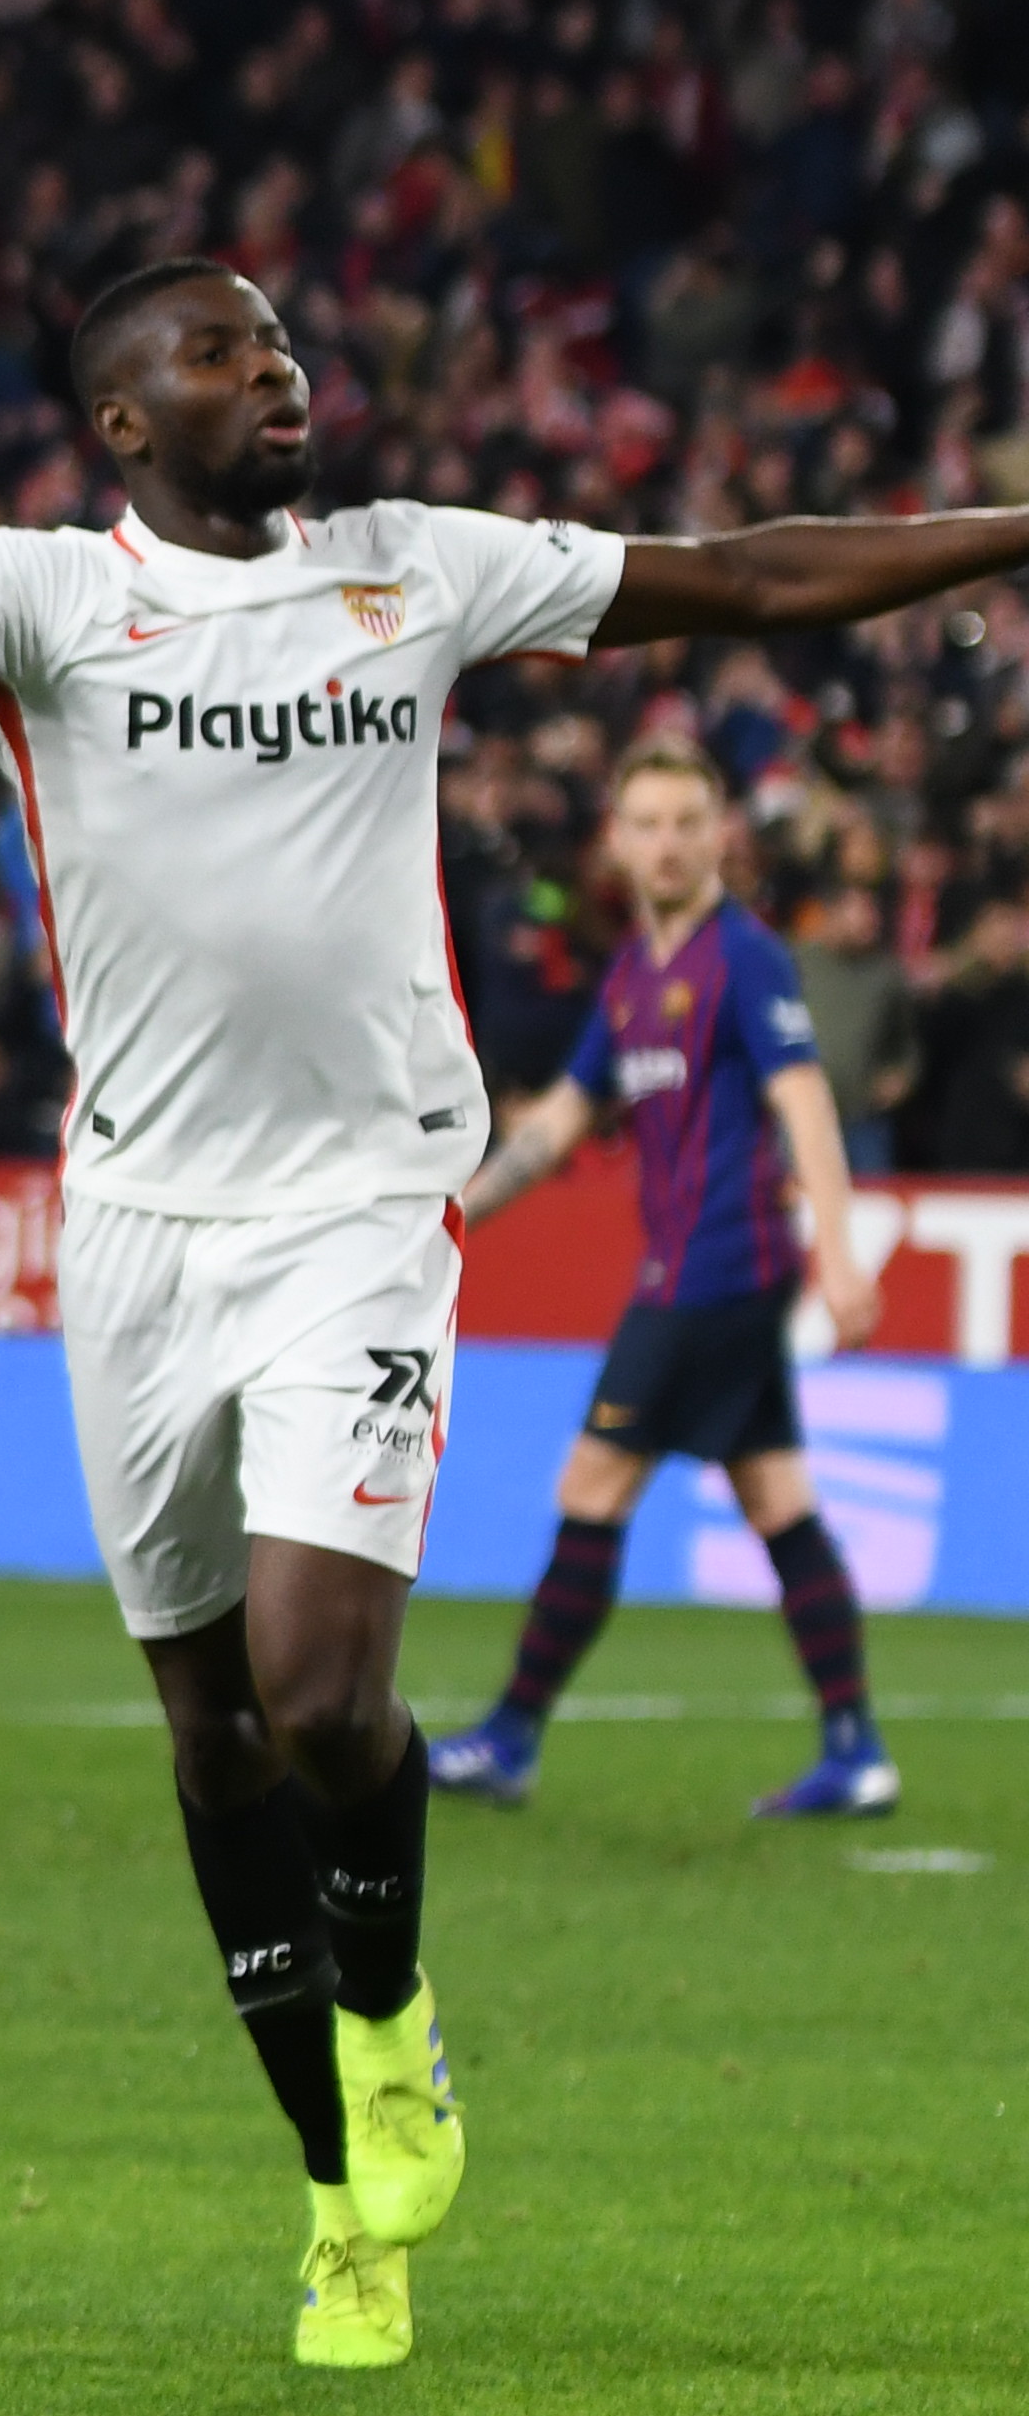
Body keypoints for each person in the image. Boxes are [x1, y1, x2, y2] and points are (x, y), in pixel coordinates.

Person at [0, 246, 1029, 2370]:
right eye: (221, 349)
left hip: (363, 1208)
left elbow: (741, 576)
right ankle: (334, 2191)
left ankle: (390, 2023)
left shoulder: (417, 570)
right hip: (136, 1228)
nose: (275, 368)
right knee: (206, 1731)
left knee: (319, 1683)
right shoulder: (45, 599)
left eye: (281, 339)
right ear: (123, 418)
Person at [429, 742, 896, 1819]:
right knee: (775, 1493)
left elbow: (806, 1103)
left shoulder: (746, 957)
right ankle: (856, 1747)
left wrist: (837, 1248)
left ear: (722, 830)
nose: (669, 842)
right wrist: (448, 1214)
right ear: (618, 841)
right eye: (647, 823)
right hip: (704, 1276)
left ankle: (509, 1737)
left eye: (688, 820)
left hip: (714, 1273)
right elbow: (555, 1126)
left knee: (592, 1484)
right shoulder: (638, 970)